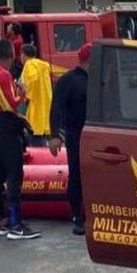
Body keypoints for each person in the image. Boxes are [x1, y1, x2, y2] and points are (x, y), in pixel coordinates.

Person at [0, 39, 40, 240]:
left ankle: (1, 220)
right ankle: (16, 224)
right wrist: (22, 93)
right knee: (15, 174)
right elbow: (11, 104)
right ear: (12, 55)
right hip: (7, 126)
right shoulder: (3, 74)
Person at [49, 43, 91, 235]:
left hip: (96, 135)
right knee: (77, 175)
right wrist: (54, 135)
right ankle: (77, 216)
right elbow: (56, 107)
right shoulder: (68, 80)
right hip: (76, 134)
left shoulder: (98, 80)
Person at [19, 45, 52, 147]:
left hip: (34, 106)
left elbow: (33, 78)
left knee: (34, 135)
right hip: (44, 105)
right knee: (41, 135)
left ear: (23, 54)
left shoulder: (29, 65)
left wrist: (26, 92)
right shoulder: (42, 65)